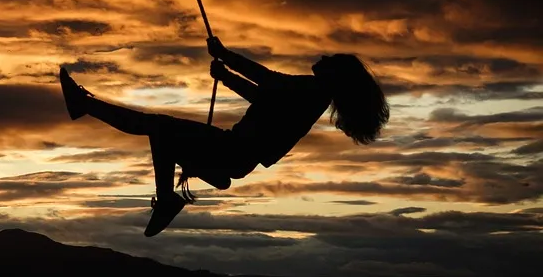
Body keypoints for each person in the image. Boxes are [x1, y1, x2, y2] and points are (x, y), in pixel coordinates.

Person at [59, 36, 390, 237]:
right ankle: (205, 173)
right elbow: (263, 97)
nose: (322, 58)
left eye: (330, 61)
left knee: (159, 128)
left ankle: (86, 107)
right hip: (235, 151)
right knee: (162, 132)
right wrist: (226, 75)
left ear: (336, 76)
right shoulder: (311, 95)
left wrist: (226, 55)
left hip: (232, 149)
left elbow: (268, 81)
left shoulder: (312, 89)